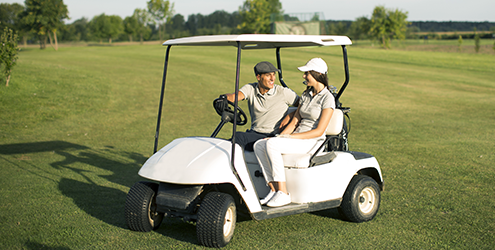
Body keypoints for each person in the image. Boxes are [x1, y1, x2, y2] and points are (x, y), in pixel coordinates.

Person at [253, 58, 335, 207]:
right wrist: (282, 136)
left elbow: (319, 131)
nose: (304, 76)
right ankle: (274, 190)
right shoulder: (306, 95)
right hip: (298, 138)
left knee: (272, 145)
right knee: (259, 145)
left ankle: (283, 193)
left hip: (313, 142)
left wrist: (291, 137)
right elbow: (295, 121)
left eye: (307, 73)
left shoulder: (328, 98)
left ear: (316, 74)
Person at [221, 61, 299, 151]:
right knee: (232, 141)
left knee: (238, 137)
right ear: (258, 77)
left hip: (271, 136)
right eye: (268, 75)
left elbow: (304, 106)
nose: (272, 78)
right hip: (254, 133)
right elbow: (234, 97)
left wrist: (291, 115)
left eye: (273, 74)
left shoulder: (283, 92)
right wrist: (224, 97)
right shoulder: (250, 88)